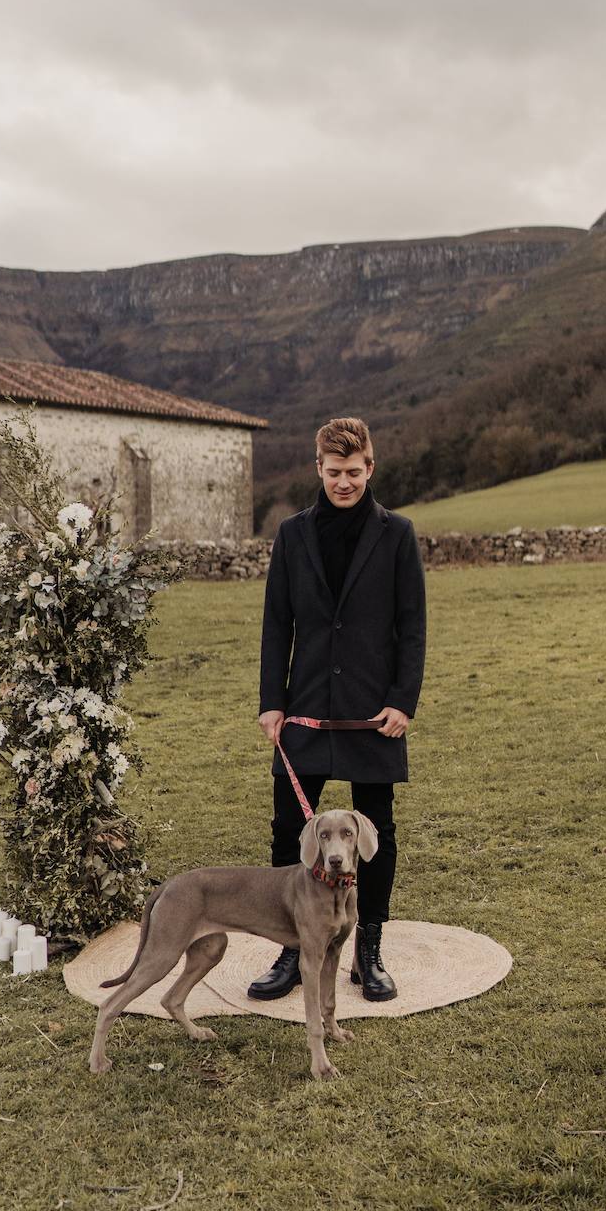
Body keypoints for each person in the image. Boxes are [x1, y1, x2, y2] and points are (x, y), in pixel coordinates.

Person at [248, 416, 426, 1002]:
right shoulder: (293, 536)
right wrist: (272, 702)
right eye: (333, 472)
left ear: (370, 468)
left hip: (374, 713)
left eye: (353, 472)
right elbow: (278, 625)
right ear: (317, 469)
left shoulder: (397, 535)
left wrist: (403, 701)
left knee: (375, 834)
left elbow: (411, 627)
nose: (344, 482)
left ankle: (367, 953)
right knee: (287, 834)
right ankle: (292, 948)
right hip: (304, 709)